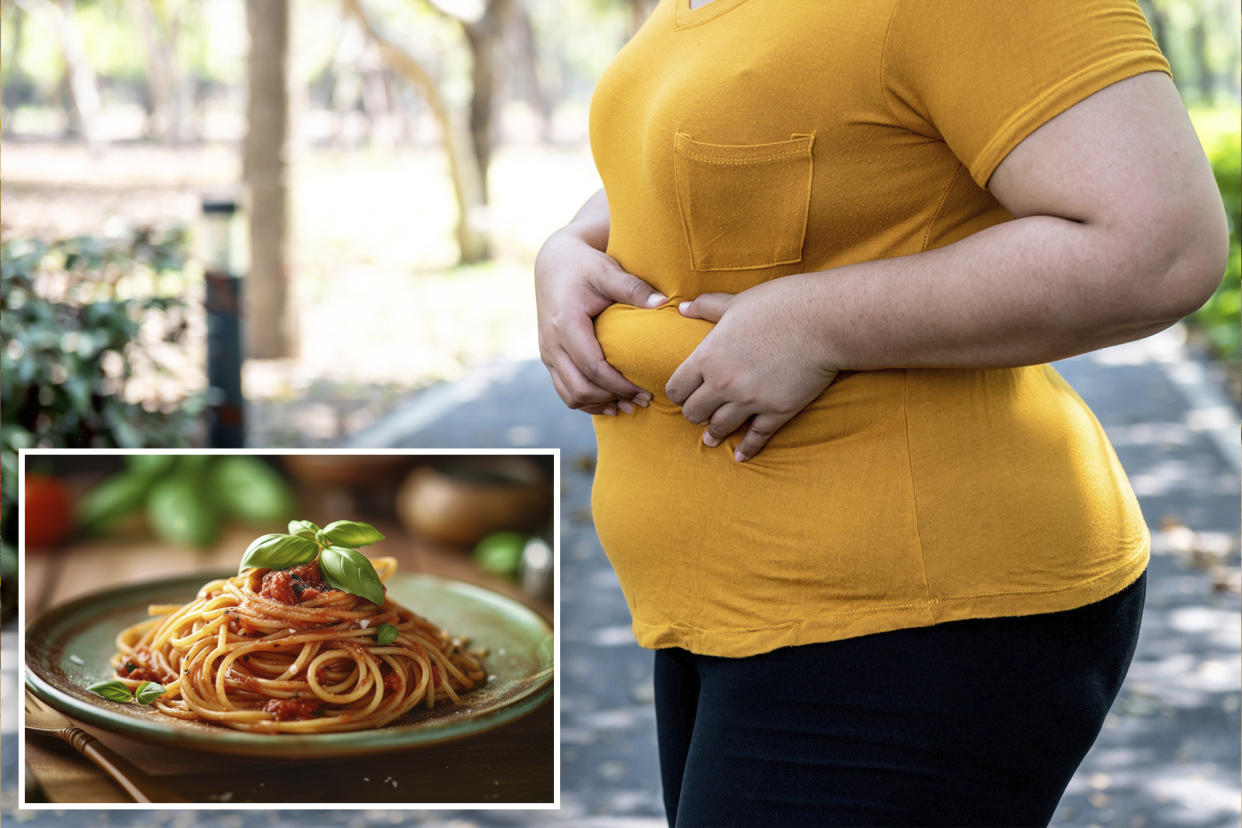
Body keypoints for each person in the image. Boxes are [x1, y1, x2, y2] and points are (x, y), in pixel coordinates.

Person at [534, 1, 1228, 825]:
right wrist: (571, 245)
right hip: (733, 611)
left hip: (912, 616)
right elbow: (737, 147)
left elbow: (1160, 244)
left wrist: (817, 322)